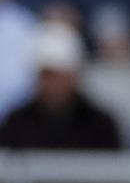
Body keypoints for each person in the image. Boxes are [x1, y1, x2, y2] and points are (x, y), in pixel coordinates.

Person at [0, 20, 121, 150]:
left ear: (74, 75)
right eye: (45, 74)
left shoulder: (101, 124)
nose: (51, 83)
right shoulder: (16, 122)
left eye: (57, 74)